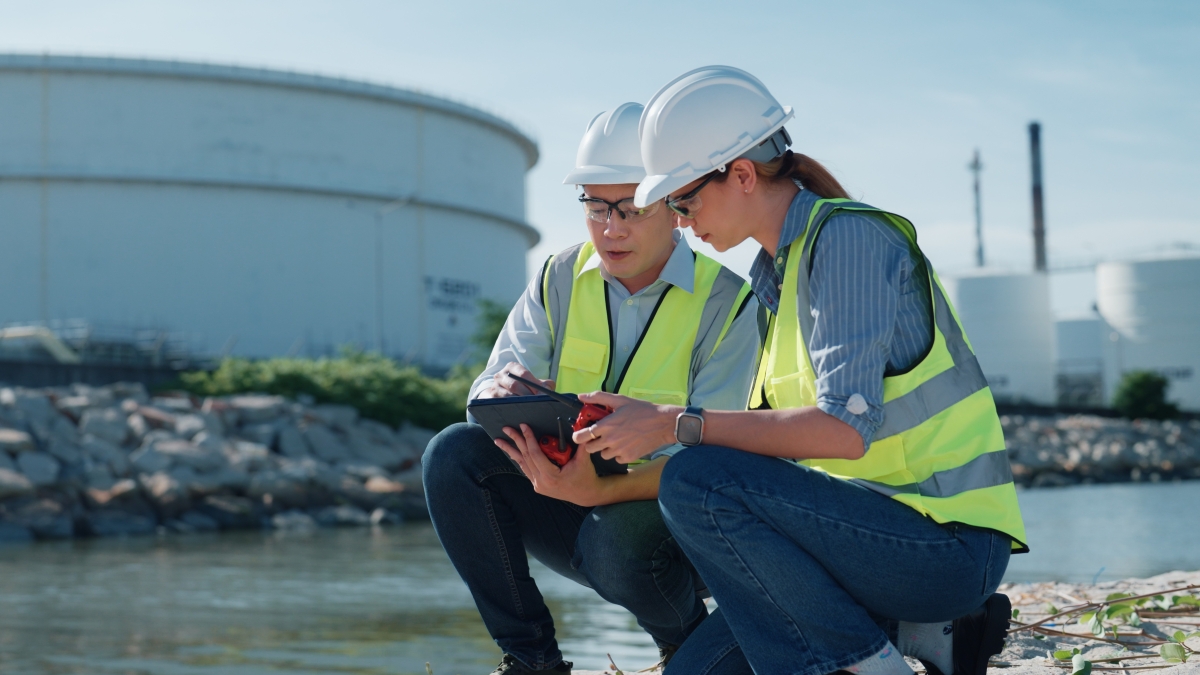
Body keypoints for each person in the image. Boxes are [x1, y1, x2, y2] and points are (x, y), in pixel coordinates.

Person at [570, 67, 1029, 675]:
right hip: (855, 543)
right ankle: (925, 635)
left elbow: (842, 431)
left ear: (740, 174)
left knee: (697, 479)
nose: (680, 220)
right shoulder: (775, 278)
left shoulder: (849, 241)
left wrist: (674, 424)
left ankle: (869, 662)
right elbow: (772, 456)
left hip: (943, 548)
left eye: (683, 199)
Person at [422, 101, 761, 675]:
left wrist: (604, 488)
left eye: (631, 208)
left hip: (673, 527)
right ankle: (532, 661)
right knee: (453, 453)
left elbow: (716, 459)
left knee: (618, 540)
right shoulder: (558, 276)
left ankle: (689, 644)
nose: (611, 227)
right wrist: (500, 390)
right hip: (565, 496)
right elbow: (486, 388)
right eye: (596, 206)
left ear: (677, 207)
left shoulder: (731, 305)